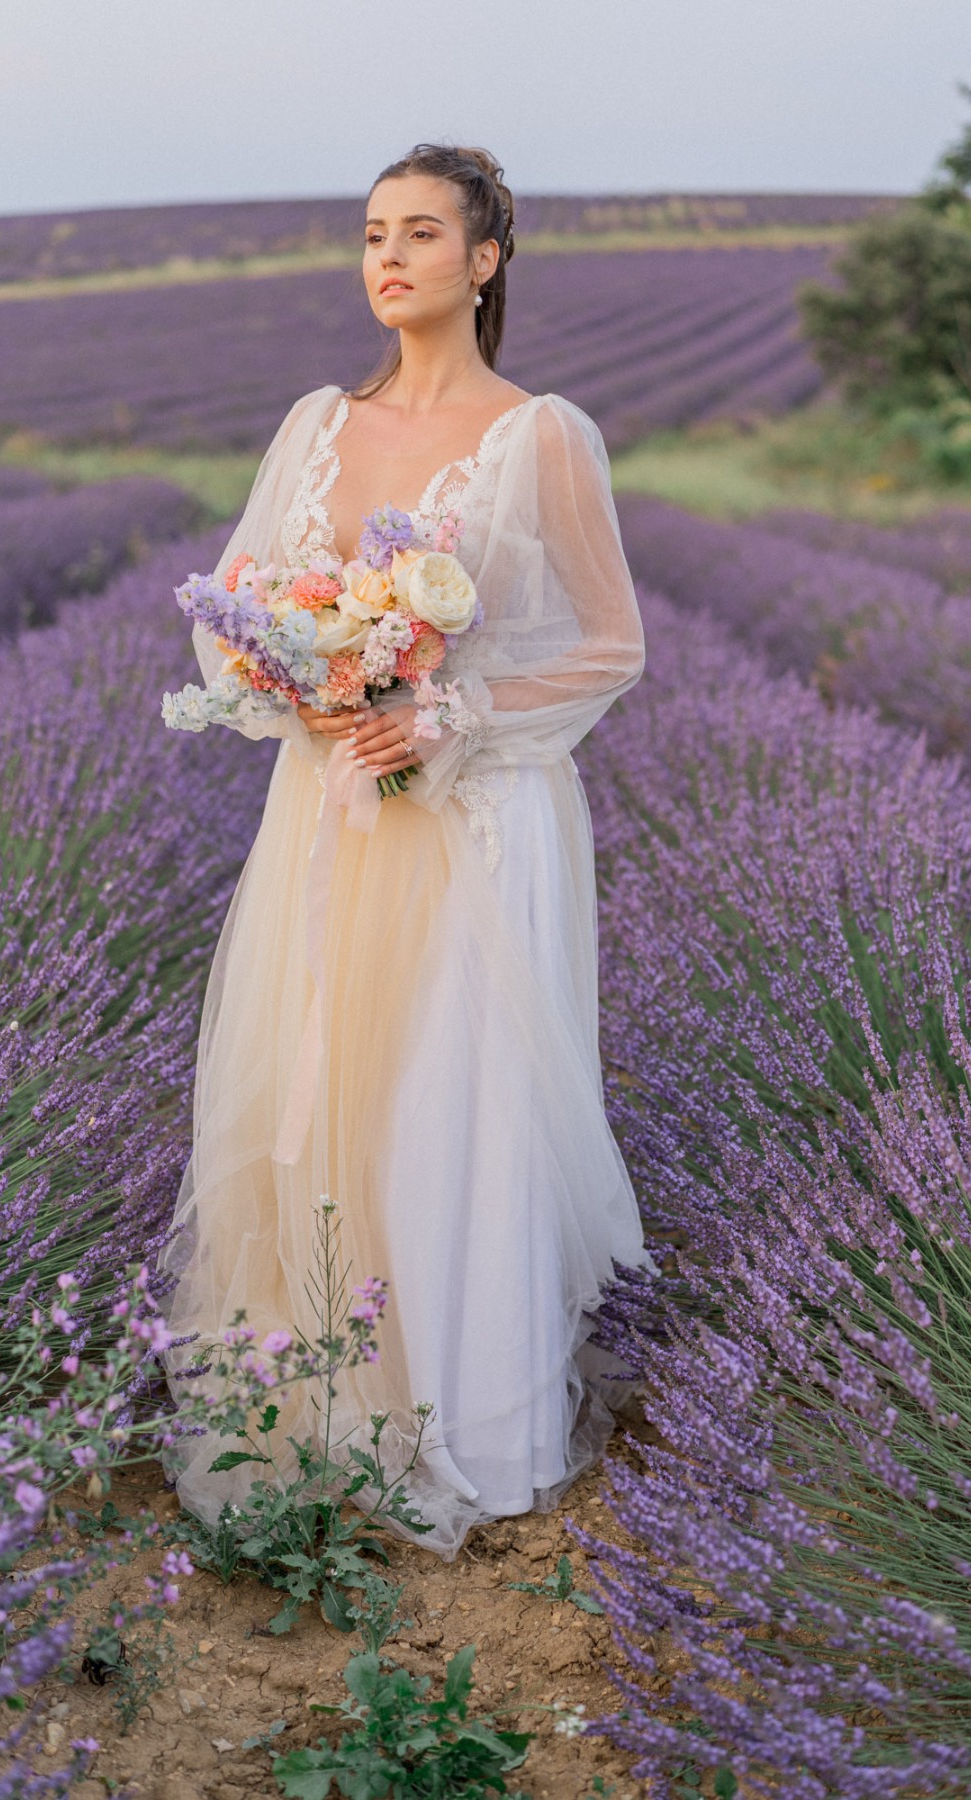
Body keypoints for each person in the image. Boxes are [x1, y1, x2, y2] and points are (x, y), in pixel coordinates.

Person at [155, 142, 659, 1561]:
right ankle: (318, 1417)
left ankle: (469, 1428)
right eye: (374, 232)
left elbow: (612, 642)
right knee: (320, 1095)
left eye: (422, 233)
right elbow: (235, 611)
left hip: (473, 817)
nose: (388, 256)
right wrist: (303, 682)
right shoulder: (319, 422)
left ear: (484, 260)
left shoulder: (540, 433)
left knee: (452, 1102)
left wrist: (449, 712)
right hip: (327, 817)